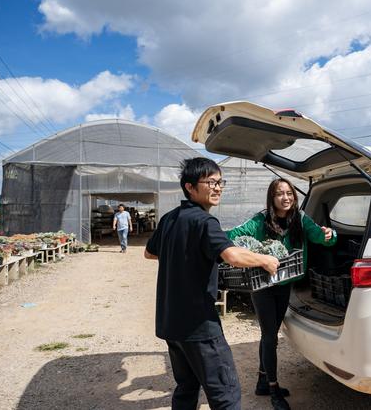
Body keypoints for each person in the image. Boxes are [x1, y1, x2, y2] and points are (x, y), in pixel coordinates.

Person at [144, 157, 280, 410]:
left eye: (220, 182)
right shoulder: (205, 222)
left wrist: (183, 253)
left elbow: (150, 253)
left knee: (186, 388)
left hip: (171, 323)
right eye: (210, 182)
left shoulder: (170, 219)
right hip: (199, 326)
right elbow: (232, 256)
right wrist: (265, 260)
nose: (218, 188)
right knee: (225, 394)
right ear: (190, 188)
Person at [227, 178, 337, 410]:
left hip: (285, 282)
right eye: (280, 194)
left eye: (289, 193)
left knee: (271, 333)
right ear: (272, 197)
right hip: (263, 285)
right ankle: (274, 389)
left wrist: (330, 235)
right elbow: (235, 234)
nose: (285, 197)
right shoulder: (261, 220)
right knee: (270, 336)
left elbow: (320, 237)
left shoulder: (300, 218)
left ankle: (262, 382)